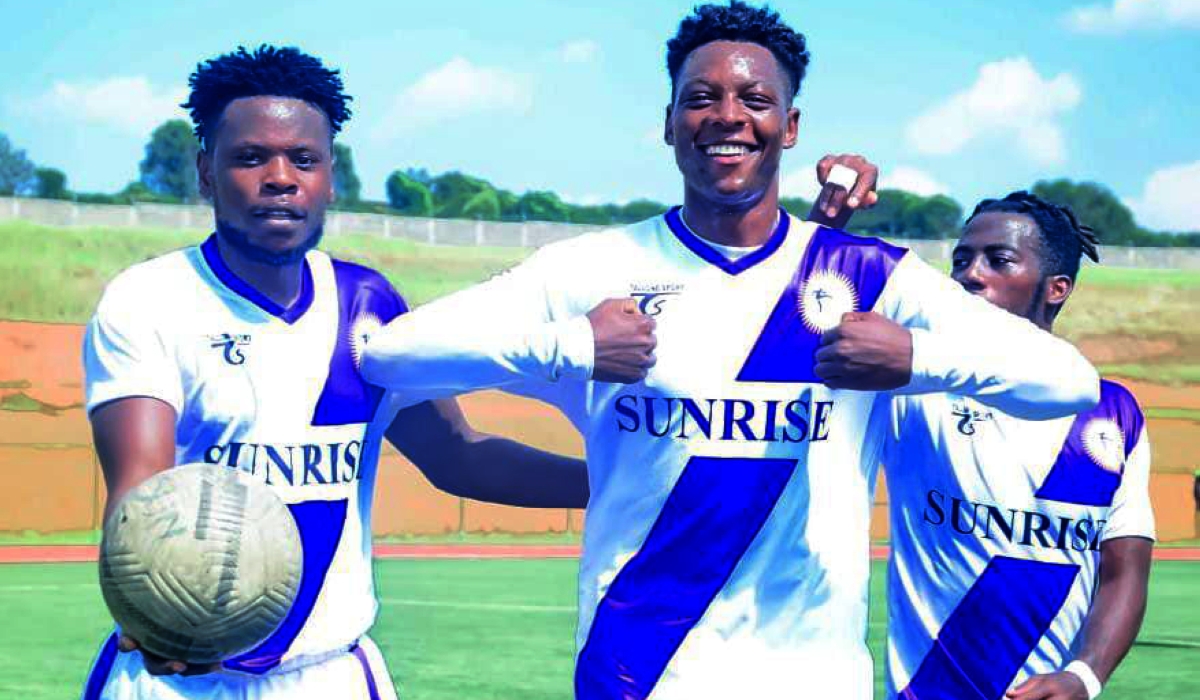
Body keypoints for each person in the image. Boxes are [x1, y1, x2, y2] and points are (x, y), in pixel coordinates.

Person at [359, 3, 1101, 698]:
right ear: (669, 121)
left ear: (791, 124)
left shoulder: (866, 276)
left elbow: (1067, 382)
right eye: (700, 97)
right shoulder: (593, 268)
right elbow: (393, 356)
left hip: (811, 679)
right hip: (639, 672)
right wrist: (574, 344)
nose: (727, 117)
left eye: (754, 99)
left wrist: (917, 359)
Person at [79, 45, 595, 700]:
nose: (279, 177)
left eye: (303, 159)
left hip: (329, 675)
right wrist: (155, 604)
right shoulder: (150, 298)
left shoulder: (367, 306)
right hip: (183, 673)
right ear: (206, 172)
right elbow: (140, 486)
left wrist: (615, 481)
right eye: (249, 157)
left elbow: (458, 459)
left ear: (329, 178)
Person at [882, 192, 1154, 700]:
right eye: (961, 259)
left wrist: (1084, 676)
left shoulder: (1114, 414)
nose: (970, 274)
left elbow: (1124, 572)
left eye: (998, 260)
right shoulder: (916, 388)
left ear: (1056, 289)